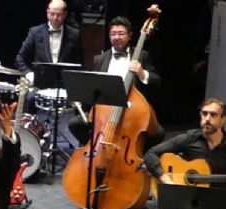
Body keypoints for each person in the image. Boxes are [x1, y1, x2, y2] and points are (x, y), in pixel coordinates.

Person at [68, 16, 162, 146]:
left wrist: (141, 72)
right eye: (113, 34)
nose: (116, 37)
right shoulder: (99, 59)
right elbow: (93, 88)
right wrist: (79, 97)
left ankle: (138, 156)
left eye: (121, 33)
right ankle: (94, 148)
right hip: (105, 110)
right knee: (75, 124)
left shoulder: (142, 55)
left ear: (130, 35)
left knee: (158, 133)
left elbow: (157, 81)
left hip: (132, 110)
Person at [14, 1, 82, 112]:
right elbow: (20, 58)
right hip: (40, 84)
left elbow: (78, 63)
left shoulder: (74, 35)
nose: (55, 18)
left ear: (65, 15)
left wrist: (75, 87)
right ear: (47, 13)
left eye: (59, 15)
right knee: (30, 98)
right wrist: (29, 73)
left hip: (64, 85)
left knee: (77, 105)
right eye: (52, 14)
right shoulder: (35, 32)